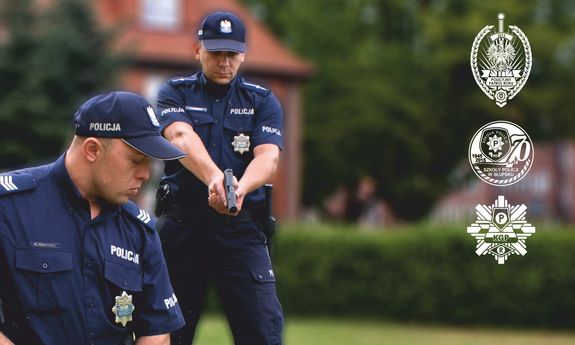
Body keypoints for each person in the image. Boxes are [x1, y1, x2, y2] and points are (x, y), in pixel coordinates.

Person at [0, 91, 186, 345]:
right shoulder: (9, 208)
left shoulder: (139, 228)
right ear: (92, 150)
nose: (145, 174)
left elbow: (157, 331)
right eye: (136, 160)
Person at [154, 11, 284, 345]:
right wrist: (214, 178)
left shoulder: (262, 101)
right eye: (216, 53)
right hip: (184, 229)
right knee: (167, 335)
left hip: (241, 229)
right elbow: (180, 136)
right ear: (197, 50)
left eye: (232, 54)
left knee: (264, 333)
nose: (224, 62)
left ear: (243, 54)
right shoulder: (174, 93)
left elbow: (268, 157)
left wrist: (239, 189)